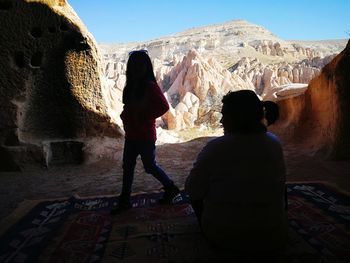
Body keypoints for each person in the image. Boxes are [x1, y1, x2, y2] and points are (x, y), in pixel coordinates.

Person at [185, 90, 288, 260]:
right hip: (273, 236)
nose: (221, 120)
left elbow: (192, 190)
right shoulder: (274, 143)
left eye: (225, 115)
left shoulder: (215, 147)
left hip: (224, 237)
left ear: (238, 117)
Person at [111, 50, 180, 214]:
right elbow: (129, 105)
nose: (137, 68)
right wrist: (125, 114)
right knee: (127, 166)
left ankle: (170, 187)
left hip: (145, 136)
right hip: (131, 134)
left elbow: (164, 106)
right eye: (134, 65)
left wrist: (145, 116)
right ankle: (125, 200)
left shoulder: (150, 86)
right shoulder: (131, 86)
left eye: (140, 65)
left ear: (146, 67)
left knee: (149, 166)